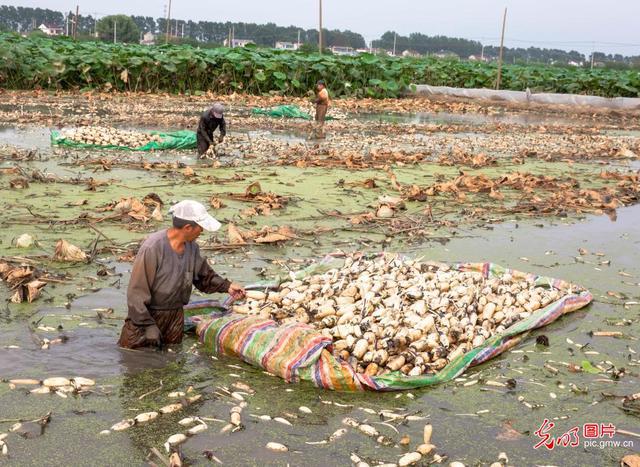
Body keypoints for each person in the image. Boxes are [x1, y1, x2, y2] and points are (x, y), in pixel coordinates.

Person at [118, 200, 245, 349]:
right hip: (146, 318)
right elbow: (136, 293)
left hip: (175, 318)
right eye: (200, 228)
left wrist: (227, 286)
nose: (202, 231)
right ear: (188, 228)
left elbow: (204, 276)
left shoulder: (192, 248)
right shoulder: (153, 248)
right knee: (137, 362)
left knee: (172, 363)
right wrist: (148, 325)